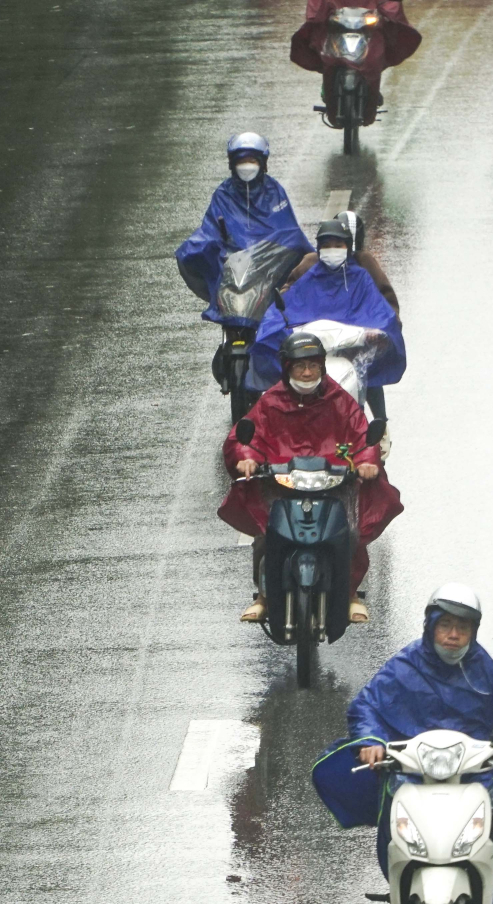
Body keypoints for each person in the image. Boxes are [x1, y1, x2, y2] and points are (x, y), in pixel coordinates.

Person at [313, 584, 493, 904]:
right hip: (414, 771)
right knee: (394, 817)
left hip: (474, 772)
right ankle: (401, 902)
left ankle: (491, 896)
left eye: (463, 628)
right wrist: (372, 742)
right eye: (445, 625)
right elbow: (367, 706)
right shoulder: (404, 666)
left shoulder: (484, 670)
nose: (453, 635)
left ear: (473, 632)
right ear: (431, 626)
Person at [219, 330, 402, 626]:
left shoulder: (339, 400)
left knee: (351, 532)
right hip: (281, 482)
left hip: (334, 482)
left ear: (322, 368)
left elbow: (362, 436)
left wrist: (367, 461)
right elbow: (244, 436)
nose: (307, 373)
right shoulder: (270, 401)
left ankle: (351, 594)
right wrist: (247, 457)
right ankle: (264, 596)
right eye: (300, 366)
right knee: (265, 536)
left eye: (313, 366)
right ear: (287, 367)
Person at [248, 216, 406, 421]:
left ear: (348, 246)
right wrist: (278, 327)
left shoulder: (362, 273)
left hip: (352, 346)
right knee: (283, 381)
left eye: (338, 245)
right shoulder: (309, 268)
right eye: (327, 245)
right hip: (310, 344)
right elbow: (289, 299)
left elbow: (381, 307)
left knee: (370, 377)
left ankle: (380, 425)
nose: (333, 250)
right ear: (319, 247)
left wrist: (380, 332)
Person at [174, 132, 312, 329]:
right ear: (232, 164)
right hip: (234, 263)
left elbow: (287, 230)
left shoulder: (274, 191)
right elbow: (211, 228)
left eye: (252, 160)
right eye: (242, 161)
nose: (247, 166)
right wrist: (205, 244)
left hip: (267, 265)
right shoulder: (223, 193)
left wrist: (284, 248)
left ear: (263, 163)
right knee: (190, 251)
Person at [290, 0, 423, 112]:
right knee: (323, 45)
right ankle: (328, 83)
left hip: (369, 22)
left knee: (377, 49)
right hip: (335, 20)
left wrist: (387, 10)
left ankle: (371, 87)